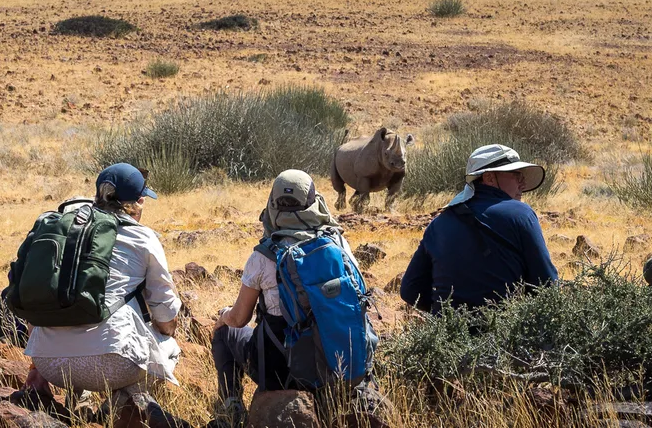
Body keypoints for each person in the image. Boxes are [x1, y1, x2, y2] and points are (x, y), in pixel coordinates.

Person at [23, 163, 186, 424]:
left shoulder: (68, 230)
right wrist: (162, 331)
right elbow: (165, 315)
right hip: (112, 366)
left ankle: (81, 399)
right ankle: (121, 404)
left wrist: (37, 365)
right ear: (138, 202)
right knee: (170, 348)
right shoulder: (143, 238)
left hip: (48, 363)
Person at [211, 170, 369, 427]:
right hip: (333, 366)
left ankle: (232, 407)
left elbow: (239, 319)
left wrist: (223, 316)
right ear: (313, 202)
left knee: (224, 332)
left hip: (278, 372)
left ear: (272, 204)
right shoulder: (338, 244)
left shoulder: (263, 256)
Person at [401, 144, 558, 313]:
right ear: (489, 178)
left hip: (449, 328)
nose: (523, 183)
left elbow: (410, 290)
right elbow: (547, 283)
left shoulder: (438, 224)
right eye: (516, 175)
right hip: (504, 327)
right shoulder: (521, 214)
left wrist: (446, 316)